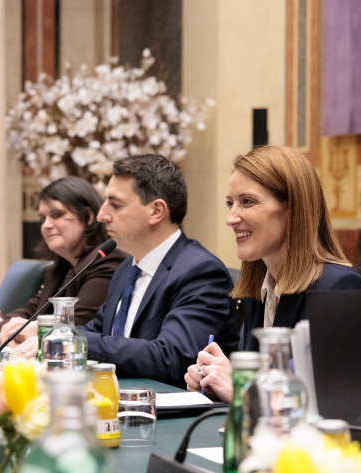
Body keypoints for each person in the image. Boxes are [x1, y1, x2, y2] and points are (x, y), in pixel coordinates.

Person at [184, 145, 361, 402]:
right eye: (230, 203)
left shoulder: (337, 287)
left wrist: (241, 389)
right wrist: (215, 383)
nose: (231, 218)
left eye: (247, 202)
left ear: (292, 209)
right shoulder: (259, 290)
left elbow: (331, 401)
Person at [76, 154, 239, 388]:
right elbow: (97, 332)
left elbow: (172, 358)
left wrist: (74, 341)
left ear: (156, 211)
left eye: (116, 204)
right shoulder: (126, 269)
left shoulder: (200, 272)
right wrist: (46, 334)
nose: (102, 215)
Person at [0, 177, 126, 344]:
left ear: (88, 216)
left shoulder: (106, 260)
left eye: (57, 215)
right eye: (43, 218)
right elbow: (32, 312)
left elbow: (74, 328)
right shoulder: (62, 266)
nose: (46, 225)